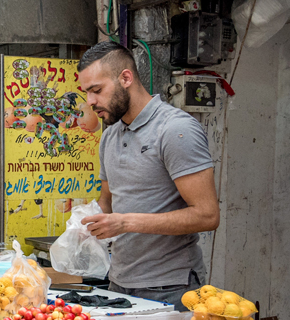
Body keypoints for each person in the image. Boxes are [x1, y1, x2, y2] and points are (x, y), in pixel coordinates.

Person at [77, 41, 220, 311]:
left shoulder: (175, 130)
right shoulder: (109, 136)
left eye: (97, 90)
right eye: (87, 93)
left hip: (172, 288)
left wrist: (125, 223)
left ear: (126, 78)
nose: (90, 102)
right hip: (119, 283)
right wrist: (84, 225)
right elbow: (107, 202)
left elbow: (208, 215)